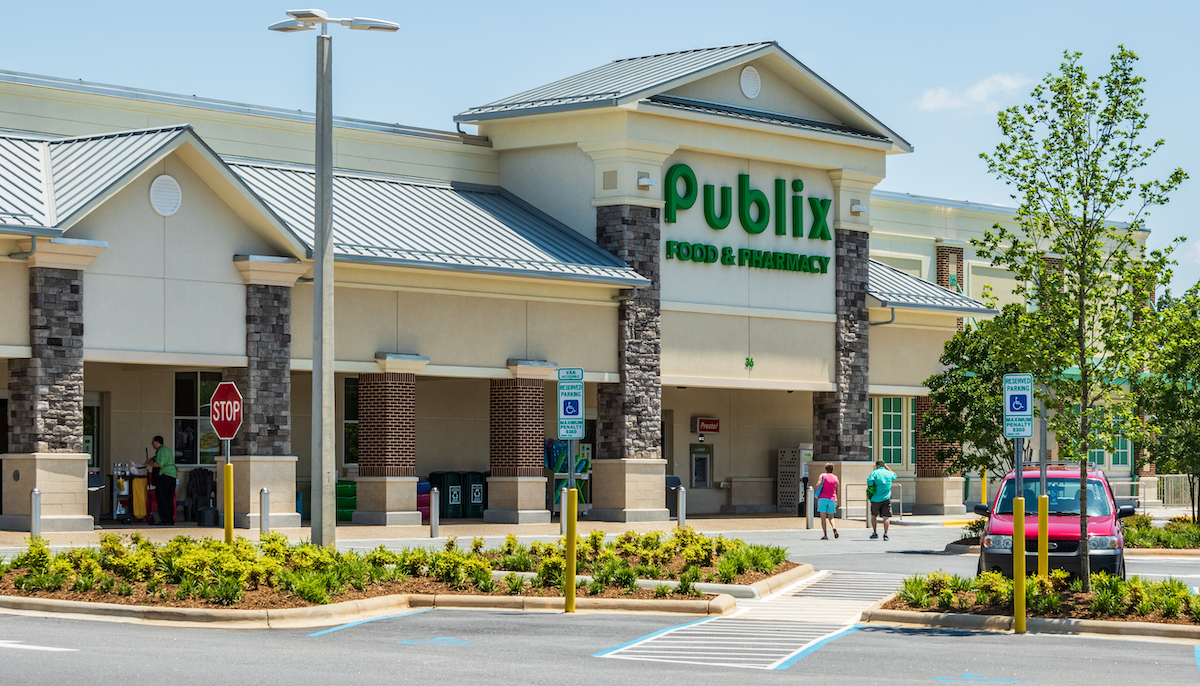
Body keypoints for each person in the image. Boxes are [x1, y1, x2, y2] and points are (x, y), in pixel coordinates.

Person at [147, 435, 176, 525]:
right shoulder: (166, 449)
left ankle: (165, 520)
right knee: (169, 499)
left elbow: (160, 463)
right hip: (172, 476)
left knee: (162, 499)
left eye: (153, 442)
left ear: (157, 442)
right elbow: (161, 458)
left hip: (164, 476)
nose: (152, 444)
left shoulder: (161, 450)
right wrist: (152, 458)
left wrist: (150, 465)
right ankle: (170, 519)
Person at [867, 460, 897, 541]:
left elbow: (869, 483)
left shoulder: (874, 473)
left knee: (874, 515)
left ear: (876, 465)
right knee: (886, 517)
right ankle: (886, 534)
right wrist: (887, 467)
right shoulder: (889, 473)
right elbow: (894, 475)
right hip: (886, 498)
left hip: (875, 498)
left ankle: (874, 532)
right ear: (884, 465)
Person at [813, 463, 839, 540]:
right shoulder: (835, 478)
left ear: (825, 469)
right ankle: (834, 527)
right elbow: (836, 490)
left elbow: (818, 485)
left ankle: (825, 535)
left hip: (823, 498)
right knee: (831, 517)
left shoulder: (822, 475)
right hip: (832, 499)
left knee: (823, 518)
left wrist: (817, 486)